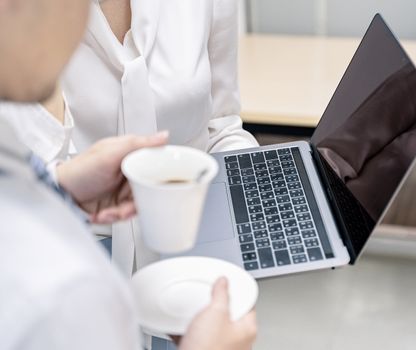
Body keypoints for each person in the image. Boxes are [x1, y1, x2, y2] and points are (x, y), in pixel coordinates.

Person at [0, 0, 257, 349]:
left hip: (190, 260)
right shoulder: (63, 295)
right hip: (90, 252)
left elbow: (223, 124)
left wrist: (59, 188)